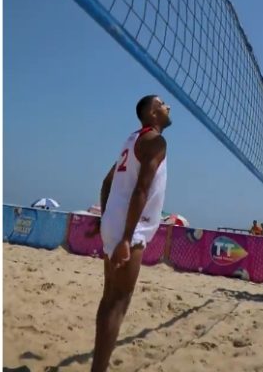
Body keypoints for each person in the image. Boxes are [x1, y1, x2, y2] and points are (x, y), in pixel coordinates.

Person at [92, 95, 171, 372]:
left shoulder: (131, 140)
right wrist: (126, 237)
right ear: (152, 113)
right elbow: (141, 189)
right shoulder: (155, 141)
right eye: (162, 104)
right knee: (118, 301)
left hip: (116, 222)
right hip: (130, 227)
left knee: (109, 298)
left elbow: (106, 183)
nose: (167, 107)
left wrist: (105, 219)